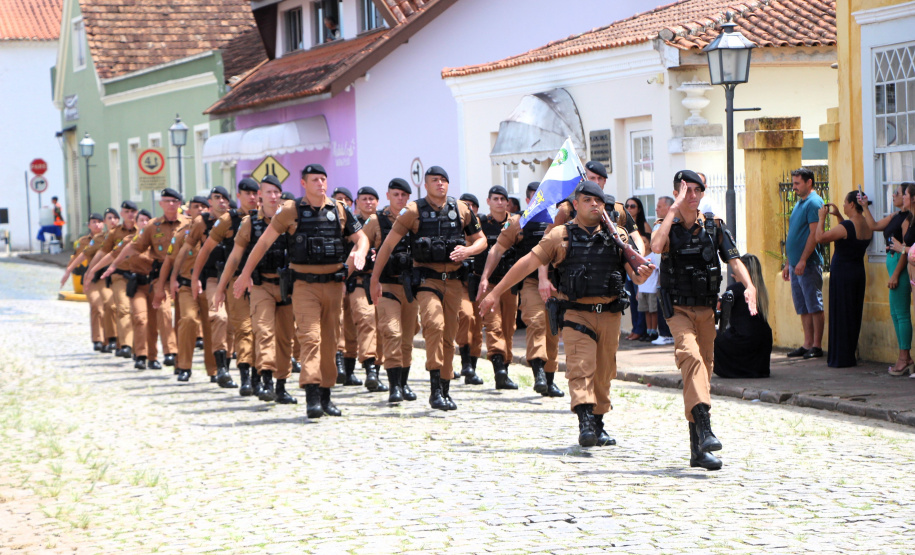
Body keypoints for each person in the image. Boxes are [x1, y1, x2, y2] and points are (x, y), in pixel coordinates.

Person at [481, 180, 654, 446]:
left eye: (598, 201)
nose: (594, 205)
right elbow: (526, 263)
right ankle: (584, 420)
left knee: (604, 371)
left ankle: (598, 422)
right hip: (576, 314)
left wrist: (642, 273)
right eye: (587, 200)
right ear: (576, 205)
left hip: (609, 313)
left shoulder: (616, 235)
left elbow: (636, 277)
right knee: (580, 366)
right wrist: (494, 292)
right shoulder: (559, 235)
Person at [235, 163, 369, 419]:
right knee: (310, 338)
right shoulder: (290, 211)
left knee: (331, 341)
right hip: (304, 286)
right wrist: (243, 274)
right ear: (304, 184)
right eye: (314, 180)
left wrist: (360, 252)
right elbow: (263, 243)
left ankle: (327, 394)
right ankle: (312, 397)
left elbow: (361, 238)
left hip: (333, 285)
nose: (320, 183)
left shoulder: (339, 210)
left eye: (323, 179)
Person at [651, 170, 757, 471]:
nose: (693, 195)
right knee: (692, 360)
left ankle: (698, 450)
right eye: (687, 190)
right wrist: (672, 209)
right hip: (679, 311)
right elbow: (655, 248)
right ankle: (706, 430)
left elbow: (735, 261)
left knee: (702, 374)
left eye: (698, 190)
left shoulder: (714, 227)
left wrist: (749, 286)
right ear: (677, 193)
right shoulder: (666, 226)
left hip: (708, 311)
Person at [370, 166, 487, 412]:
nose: (440, 184)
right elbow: (388, 244)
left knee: (449, 335)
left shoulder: (461, 209)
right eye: (435, 180)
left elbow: (482, 240)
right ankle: (435, 389)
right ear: (426, 185)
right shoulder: (413, 211)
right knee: (434, 325)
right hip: (426, 280)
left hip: (454, 280)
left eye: (444, 180)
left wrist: (468, 250)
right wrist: (374, 278)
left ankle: (445, 386)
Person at [215, 175, 297, 404]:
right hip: (260, 286)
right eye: (268, 192)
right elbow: (234, 257)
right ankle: (267, 380)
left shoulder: (291, 220)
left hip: (286, 287)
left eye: (276, 192)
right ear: (260, 194)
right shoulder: (251, 223)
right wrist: (221, 288)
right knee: (263, 331)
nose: (272, 196)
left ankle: (281, 385)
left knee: (285, 337)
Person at [481, 181, 564, 397]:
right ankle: (538, 372)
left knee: (553, 330)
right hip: (530, 282)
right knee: (535, 322)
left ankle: (550, 377)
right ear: (529, 201)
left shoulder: (560, 219)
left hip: (557, 282)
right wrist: (485, 277)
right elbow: (497, 250)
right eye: (537, 197)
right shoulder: (519, 222)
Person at [100, 188, 187, 370]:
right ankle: (144, 354)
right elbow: (130, 249)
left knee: (172, 317)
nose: (171, 204)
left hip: (182, 275)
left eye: (174, 200)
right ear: (161, 204)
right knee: (143, 319)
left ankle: (171, 353)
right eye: (167, 201)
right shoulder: (151, 228)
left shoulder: (189, 224)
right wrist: (113, 266)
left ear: (179, 203)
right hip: (149, 282)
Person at [192, 180, 262, 390]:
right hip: (233, 279)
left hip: (262, 281)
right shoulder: (227, 221)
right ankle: (244, 376)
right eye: (246, 193)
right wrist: (195, 278)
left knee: (261, 329)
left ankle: (261, 376)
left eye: (254, 193)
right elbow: (204, 250)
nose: (251, 197)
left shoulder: (266, 219)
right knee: (241, 328)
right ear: (238, 196)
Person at [360, 178, 421, 402]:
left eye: (404, 195)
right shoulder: (377, 221)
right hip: (386, 285)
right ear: (388, 196)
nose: (400, 199)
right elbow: (361, 242)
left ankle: (403, 383)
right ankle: (394, 386)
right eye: (396, 194)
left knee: (406, 337)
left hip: (410, 286)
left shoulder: (416, 219)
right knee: (392, 332)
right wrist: (365, 255)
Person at [860, 184, 913, 375]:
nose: (894, 196)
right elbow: (873, 226)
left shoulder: (907, 220)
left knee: (901, 314)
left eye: (899, 193)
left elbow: (906, 250)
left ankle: (904, 357)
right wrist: (865, 207)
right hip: (891, 262)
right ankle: (903, 356)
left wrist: (896, 274)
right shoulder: (895, 216)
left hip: (899, 264)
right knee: (895, 314)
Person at [817, 192, 873, 368]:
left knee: (841, 313)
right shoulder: (866, 223)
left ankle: (841, 357)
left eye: (844, 203)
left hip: (843, 273)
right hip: (857, 272)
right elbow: (848, 236)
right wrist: (839, 216)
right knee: (852, 313)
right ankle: (848, 354)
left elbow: (821, 238)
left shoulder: (849, 226)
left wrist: (822, 218)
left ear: (851, 204)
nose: (842, 206)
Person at [472, 186, 520, 390]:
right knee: (494, 325)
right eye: (496, 199)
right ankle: (499, 370)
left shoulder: (517, 222)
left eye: (503, 199)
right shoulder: (480, 224)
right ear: (488, 201)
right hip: (489, 283)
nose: (500, 202)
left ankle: (505, 371)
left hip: (509, 281)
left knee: (509, 327)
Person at [167, 195, 219, 383]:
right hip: (187, 285)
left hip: (210, 284)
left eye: (204, 207)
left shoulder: (218, 230)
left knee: (211, 324)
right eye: (196, 207)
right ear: (189, 211)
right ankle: (184, 366)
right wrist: (171, 280)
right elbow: (171, 260)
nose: (200, 210)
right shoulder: (182, 233)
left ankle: (214, 369)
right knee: (188, 320)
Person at [342, 186, 387, 393]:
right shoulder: (351, 224)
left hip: (382, 282)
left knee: (381, 326)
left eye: (372, 199)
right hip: (358, 280)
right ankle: (366, 368)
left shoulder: (385, 222)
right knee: (364, 320)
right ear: (357, 202)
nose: (368, 202)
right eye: (364, 199)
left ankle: (376, 370)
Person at [781, 168, 825, 359]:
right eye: (793, 183)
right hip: (796, 264)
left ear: (809, 183)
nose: (794, 187)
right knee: (802, 305)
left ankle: (816, 345)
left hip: (808, 264)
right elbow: (794, 235)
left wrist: (803, 260)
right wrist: (788, 262)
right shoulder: (800, 203)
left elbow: (814, 235)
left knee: (814, 304)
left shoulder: (814, 203)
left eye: (797, 183)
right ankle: (807, 343)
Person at [713, 254, 772, 378]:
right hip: (762, 343)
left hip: (743, 340)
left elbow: (719, 306)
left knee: (712, 335)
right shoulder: (760, 289)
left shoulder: (736, 288)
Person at [95, 201, 140, 359]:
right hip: (119, 275)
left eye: (133, 211)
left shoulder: (143, 230)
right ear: (123, 213)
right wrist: (92, 270)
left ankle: (135, 346)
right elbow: (105, 253)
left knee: (137, 312)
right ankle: (126, 345)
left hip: (138, 276)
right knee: (123, 308)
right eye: (127, 211)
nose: (130, 214)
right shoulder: (114, 233)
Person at [455, 192, 485, 385]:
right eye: (466, 205)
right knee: (465, 317)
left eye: (473, 205)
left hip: (480, 283)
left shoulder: (481, 230)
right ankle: (464, 362)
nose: (470, 208)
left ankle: (471, 369)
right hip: (460, 283)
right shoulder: (454, 228)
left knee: (478, 327)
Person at [66, 213, 106, 351]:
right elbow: (76, 257)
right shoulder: (83, 241)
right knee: (96, 306)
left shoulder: (109, 238)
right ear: (89, 225)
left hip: (108, 277)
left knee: (110, 308)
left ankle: (110, 339)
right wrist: (71, 272)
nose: (97, 225)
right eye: (93, 222)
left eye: (99, 222)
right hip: (92, 278)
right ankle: (98, 339)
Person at [625, 197, 652, 341]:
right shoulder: (623, 225)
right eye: (627, 206)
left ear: (639, 209)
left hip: (640, 268)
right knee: (632, 300)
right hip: (627, 268)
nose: (629, 209)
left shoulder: (644, 225)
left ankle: (641, 330)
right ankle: (635, 328)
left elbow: (649, 247)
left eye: (633, 206)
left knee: (641, 300)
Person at [651, 197, 675, 346]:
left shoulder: (673, 224)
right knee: (661, 301)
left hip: (668, 271)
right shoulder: (658, 225)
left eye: (660, 206)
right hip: (658, 271)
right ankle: (664, 332)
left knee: (666, 302)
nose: (656, 209)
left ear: (669, 208)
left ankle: (667, 333)